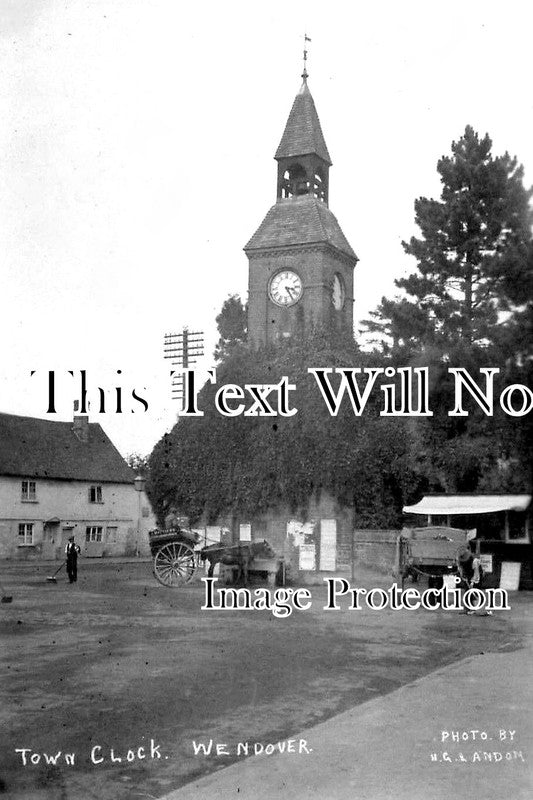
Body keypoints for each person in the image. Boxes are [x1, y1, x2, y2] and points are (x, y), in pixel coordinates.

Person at [457, 544, 492, 615]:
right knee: (467, 591)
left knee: (476, 591)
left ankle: (479, 608)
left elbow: (476, 573)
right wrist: (463, 576)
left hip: (477, 575)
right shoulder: (459, 559)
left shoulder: (475, 561)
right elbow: (460, 569)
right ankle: (467, 609)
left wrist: (472, 582)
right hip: (467, 574)